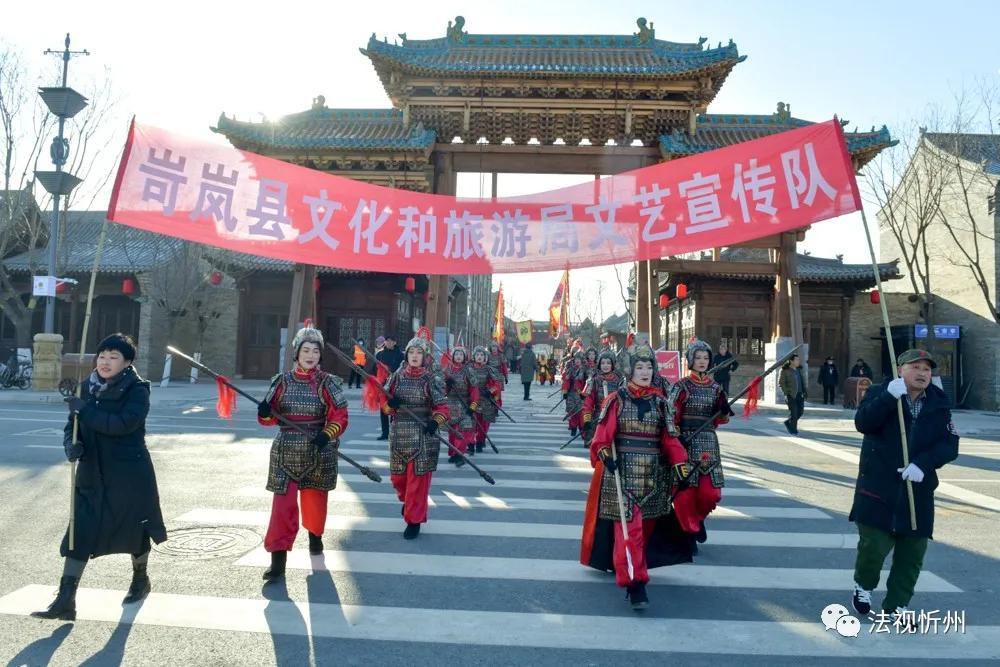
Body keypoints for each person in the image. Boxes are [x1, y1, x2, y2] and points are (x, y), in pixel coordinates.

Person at [33, 334, 166, 620]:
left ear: (127, 362)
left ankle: (140, 579)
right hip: (91, 471)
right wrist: (71, 445)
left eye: (113, 357)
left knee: (134, 528)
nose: (105, 362)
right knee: (79, 531)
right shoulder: (86, 387)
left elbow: (123, 424)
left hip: (128, 473)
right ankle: (65, 600)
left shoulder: (138, 390)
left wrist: (86, 411)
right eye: (102, 356)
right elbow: (72, 425)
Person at [580, 344, 695, 611]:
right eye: (639, 367)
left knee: (643, 531)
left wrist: (681, 464)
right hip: (623, 474)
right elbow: (601, 439)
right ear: (629, 370)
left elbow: (670, 439)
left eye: (649, 367)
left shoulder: (661, 402)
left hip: (654, 476)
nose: (645, 372)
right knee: (628, 530)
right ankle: (635, 582)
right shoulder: (615, 400)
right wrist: (606, 454)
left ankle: (630, 566)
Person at [849, 349, 959, 621]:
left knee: (912, 551)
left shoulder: (939, 402)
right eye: (916, 367)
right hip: (878, 484)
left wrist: (923, 464)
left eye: (927, 369)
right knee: (873, 546)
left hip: (918, 487)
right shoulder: (880, 392)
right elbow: (863, 423)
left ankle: (897, 603)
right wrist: (888, 397)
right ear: (900, 370)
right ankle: (863, 585)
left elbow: (950, 444)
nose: (923, 373)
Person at [256, 326, 349, 580]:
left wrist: (326, 434)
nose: (310, 355)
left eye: (315, 351)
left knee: (315, 506)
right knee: (282, 509)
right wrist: (264, 412)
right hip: (285, 451)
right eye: (305, 350)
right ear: (296, 354)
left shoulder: (328, 383)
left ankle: (315, 538)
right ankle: (278, 563)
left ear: (320, 356)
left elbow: (340, 417)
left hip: (318, 450)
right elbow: (269, 419)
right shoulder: (281, 381)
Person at [382, 336, 449, 538]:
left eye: (419, 353)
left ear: (425, 356)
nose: (414, 356)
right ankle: (408, 503)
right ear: (407, 354)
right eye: (411, 352)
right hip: (399, 434)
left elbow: (443, 408)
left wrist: (435, 421)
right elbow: (384, 405)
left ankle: (414, 520)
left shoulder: (431, 379)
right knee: (398, 480)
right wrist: (390, 405)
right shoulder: (397, 376)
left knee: (418, 483)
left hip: (423, 435)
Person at [668, 340, 732, 545]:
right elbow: (670, 417)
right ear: (690, 360)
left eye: (705, 358)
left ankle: (697, 520)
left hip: (708, 445)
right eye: (698, 357)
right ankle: (689, 531)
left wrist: (722, 412)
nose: (702, 361)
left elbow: (722, 420)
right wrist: (677, 438)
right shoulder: (680, 387)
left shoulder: (716, 388)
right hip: (685, 443)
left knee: (710, 494)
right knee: (685, 493)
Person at [443, 345, 480, 466]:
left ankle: (460, 454)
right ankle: (454, 453)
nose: (458, 357)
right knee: (452, 431)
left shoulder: (469, 371)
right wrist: (446, 384)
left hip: (464, 404)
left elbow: (474, 390)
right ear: (453, 356)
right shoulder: (447, 370)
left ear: (464, 357)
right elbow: (441, 389)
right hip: (451, 404)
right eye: (456, 354)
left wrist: (472, 406)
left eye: (461, 355)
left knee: (463, 431)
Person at [581, 351, 624, 448]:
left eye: (608, 363)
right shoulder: (595, 380)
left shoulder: (619, 380)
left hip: (615, 416)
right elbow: (588, 402)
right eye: (603, 363)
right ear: (599, 364)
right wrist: (587, 419)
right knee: (598, 446)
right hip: (599, 416)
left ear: (612, 364)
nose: (605, 366)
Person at [468, 346, 504, 454]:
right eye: (477, 355)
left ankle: (480, 442)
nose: (479, 357)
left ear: (485, 357)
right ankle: (470, 444)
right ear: (474, 356)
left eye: (482, 355)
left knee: (483, 424)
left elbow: (497, 385)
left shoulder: (489, 369)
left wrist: (490, 391)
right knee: (470, 424)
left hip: (485, 400)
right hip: (471, 400)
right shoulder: (468, 369)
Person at [375, 335, 404, 440]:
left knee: (395, 409)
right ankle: (385, 433)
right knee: (383, 409)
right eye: (387, 341)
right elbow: (375, 369)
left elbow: (403, 370)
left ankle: (394, 431)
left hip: (396, 385)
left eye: (391, 341)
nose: (388, 343)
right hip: (383, 385)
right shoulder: (380, 355)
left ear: (395, 342)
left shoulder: (401, 356)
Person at [779, 353, 807, 435]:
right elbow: (781, 383)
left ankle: (788, 422)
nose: (798, 361)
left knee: (800, 412)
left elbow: (802, 382)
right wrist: (787, 393)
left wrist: (805, 391)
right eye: (797, 360)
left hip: (800, 395)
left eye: (799, 360)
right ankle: (793, 430)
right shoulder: (785, 371)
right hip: (791, 395)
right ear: (791, 361)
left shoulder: (799, 370)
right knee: (794, 413)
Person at [561, 352, 586, 437]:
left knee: (581, 412)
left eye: (579, 359)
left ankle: (583, 430)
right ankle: (573, 428)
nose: (577, 361)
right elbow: (566, 381)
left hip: (582, 395)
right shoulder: (571, 369)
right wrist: (565, 392)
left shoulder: (585, 370)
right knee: (572, 412)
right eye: (576, 359)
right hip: (571, 394)